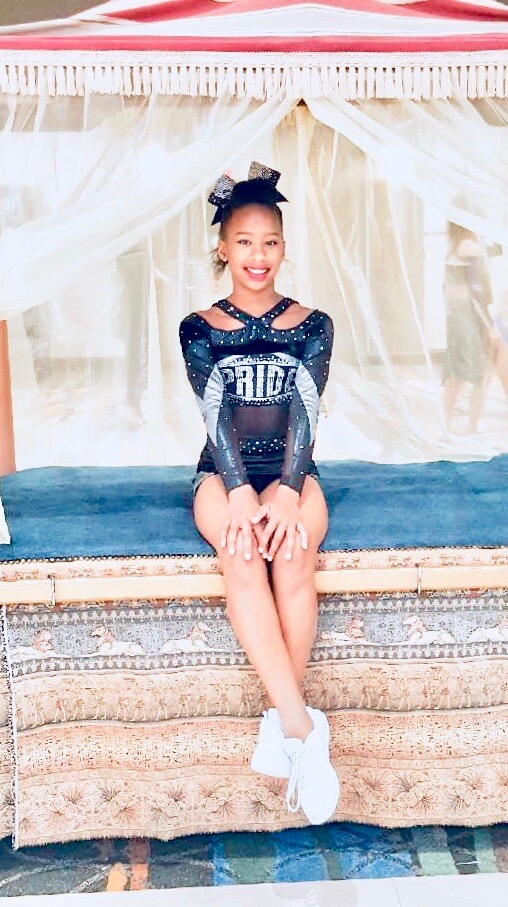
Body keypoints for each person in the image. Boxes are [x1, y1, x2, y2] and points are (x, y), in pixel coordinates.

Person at [179, 162, 339, 826]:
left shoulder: (313, 323)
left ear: (283, 247)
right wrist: (241, 492)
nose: (257, 255)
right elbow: (214, 413)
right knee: (243, 553)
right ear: (223, 247)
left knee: (294, 551)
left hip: (294, 470)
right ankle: (303, 731)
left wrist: (288, 491)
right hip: (222, 472)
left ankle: (282, 726)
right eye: (244, 241)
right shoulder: (198, 327)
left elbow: (307, 408)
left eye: (269, 242)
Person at [443, 223, 494, 434]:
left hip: (461, 317)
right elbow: (477, 288)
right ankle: (469, 427)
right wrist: (488, 322)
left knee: (459, 374)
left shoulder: (457, 246)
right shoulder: (468, 246)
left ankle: (450, 426)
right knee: (471, 373)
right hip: (468, 318)